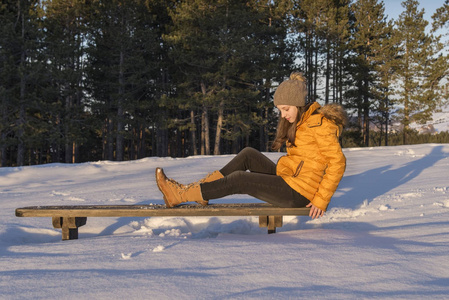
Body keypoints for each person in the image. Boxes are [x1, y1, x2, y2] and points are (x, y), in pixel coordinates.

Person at [155, 72, 347, 219]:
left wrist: (321, 200)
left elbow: (337, 162)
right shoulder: (303, 122)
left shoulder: (319, 124)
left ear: (297, 104)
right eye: (280, 110)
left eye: (286, 109)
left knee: (240, 179)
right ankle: (202, 191)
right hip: (290, 179)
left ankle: (180, 195)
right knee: (248, 154)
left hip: (299, 194)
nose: (283, 115)